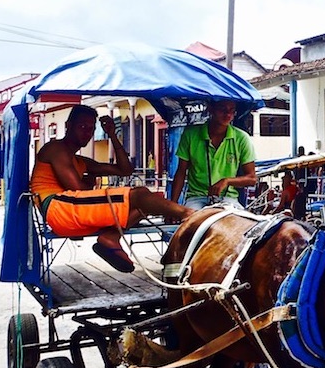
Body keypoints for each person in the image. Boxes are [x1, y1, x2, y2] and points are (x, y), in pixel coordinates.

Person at [30, 105, 194, 273]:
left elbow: (125, 170)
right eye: (82, 127)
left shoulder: (79, 161)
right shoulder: (56, 149)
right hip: (58, 209)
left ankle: (111, 237)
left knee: (149, 201)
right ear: (68, 125)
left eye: (91, 128)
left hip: (68, 211)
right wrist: (88, 183)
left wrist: (112, 136)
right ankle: (191, 215)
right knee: (139, 195)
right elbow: (78, 188)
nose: (87, 132)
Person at [169, 100, 257, 210]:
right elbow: (181, 172)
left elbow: (252, 178)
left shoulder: (242, 138)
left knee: (246, 225)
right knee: (190, 222)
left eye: (232, 110)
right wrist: (172, 206)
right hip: (197, 198)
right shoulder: (190, 134)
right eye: (223, 109)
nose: (228, 114)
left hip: (228, 198)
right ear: (211, 109)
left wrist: (227, 181)